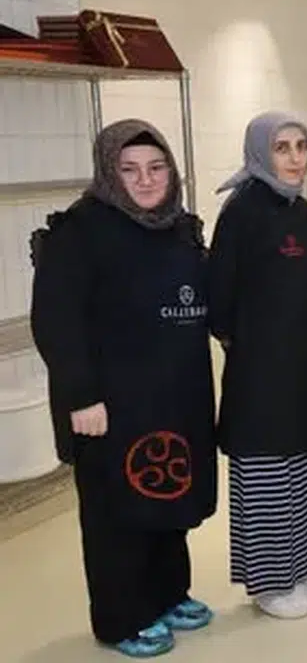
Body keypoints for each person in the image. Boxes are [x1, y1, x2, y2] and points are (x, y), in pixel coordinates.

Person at [30, 119, 217, 658]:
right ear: (108, 173)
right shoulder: (80, 232)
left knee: (168, 497)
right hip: (110, 403)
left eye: (156, 168)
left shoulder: (179, 227)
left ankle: (169, 594)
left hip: (176, 395)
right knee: (116, 512)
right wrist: (81, 396)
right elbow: (56, 321)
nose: (146, 180)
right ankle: (121, 618)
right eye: (129, 170)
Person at [209, 112, 307, 619]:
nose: (294, 158)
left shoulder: (304, 212)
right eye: (282, 148)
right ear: (260, 153)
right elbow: (219, 298)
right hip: (260, 371)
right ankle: (270, 581)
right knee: (268, 473)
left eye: (300, 146)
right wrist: (250, 346)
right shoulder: (241, 212)